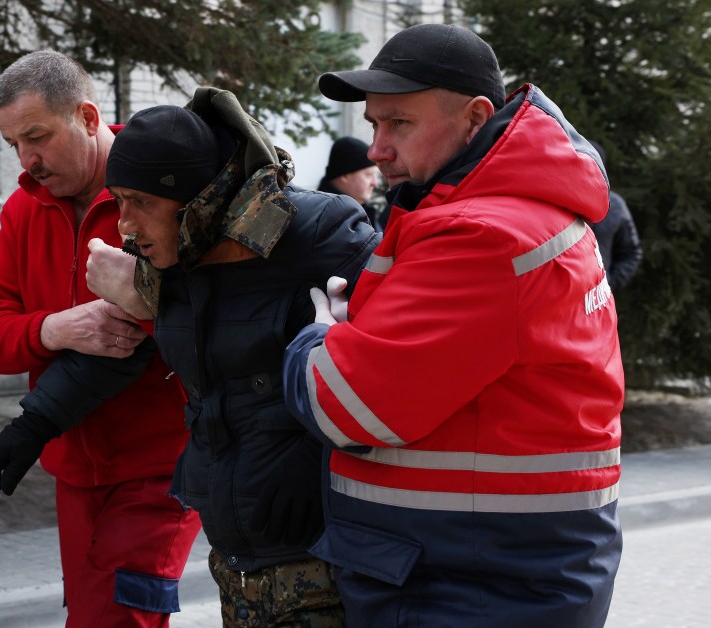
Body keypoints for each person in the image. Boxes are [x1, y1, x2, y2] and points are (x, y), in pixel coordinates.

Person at [282, 23, 624, 628]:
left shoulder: (479, 234)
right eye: (374, 124)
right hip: (495, 569)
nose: (377, 149)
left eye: (400, 123)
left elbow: (349, 407)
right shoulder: (522, 211)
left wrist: (318, 335)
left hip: (462, 582)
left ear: (475, 117)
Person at [39, 89, 381, 625]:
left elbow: (390, 377)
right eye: (118, 199)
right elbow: (130, 345)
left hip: (323, 560)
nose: (124, 224)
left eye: (141, 201)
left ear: (196, 197)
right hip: (237, 561)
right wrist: (35, 421)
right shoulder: (180, 254)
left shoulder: (319, 235)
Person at [0, 50, 201, 628]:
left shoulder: (164, 188)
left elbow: (210, 321)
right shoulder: (23, 209)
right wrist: (53, 329)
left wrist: (140, 310)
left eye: (37, 136)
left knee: (113, 620)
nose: (26, 158)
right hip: (73, 469)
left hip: (163, 467)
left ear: (89, 118)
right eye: (12, 142)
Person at [587, 139, 643, 292]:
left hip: (598, 302)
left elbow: (631, 253)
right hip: (559, 299)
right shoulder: (558, 200)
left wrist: (608, 284)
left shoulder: (616, 206)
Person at [317, 136, 384, 230]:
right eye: (368, 175)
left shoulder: (364, 212)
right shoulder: (325, 219)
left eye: (376, 175)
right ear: (344, 175)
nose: (375, 183)